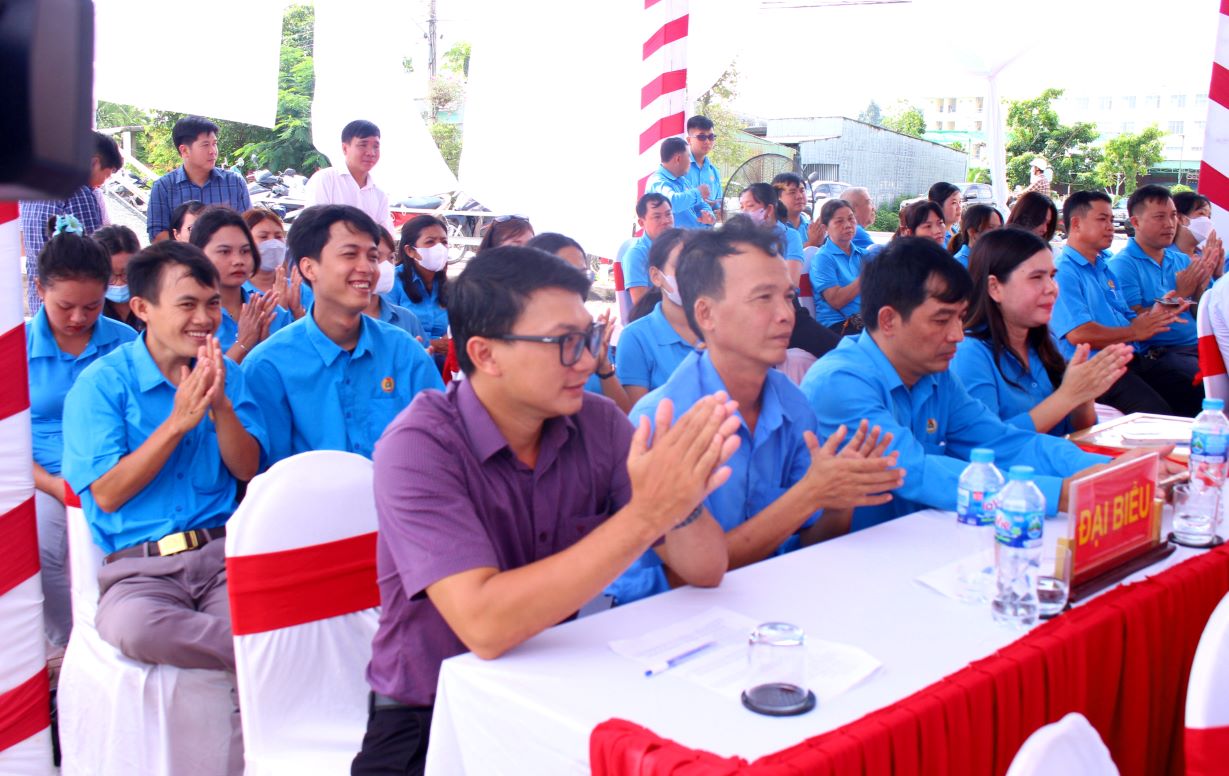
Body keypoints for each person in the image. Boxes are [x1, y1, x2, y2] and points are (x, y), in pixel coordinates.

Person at [352, 246, 737, 775]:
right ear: (485, 354)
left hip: (561, 685)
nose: (587, 360)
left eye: (591, 339)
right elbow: (483, 626)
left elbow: (706, 567)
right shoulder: (418, 447)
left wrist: (681, 494)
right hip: (432, 710)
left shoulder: (596, 423)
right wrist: (647, 515)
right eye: (564, 343)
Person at [607, 218, 902, 603]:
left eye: (787, 296)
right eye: (763, 298)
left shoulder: (792, 405)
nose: (786, 314)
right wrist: (811, 494)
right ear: (706, 314)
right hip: (663, 624)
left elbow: (809, 541)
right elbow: (689, 576)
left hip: (770, 603)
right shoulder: (659, 421)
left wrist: (838, 499)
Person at [61, 241, 268, 775]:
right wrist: (176, 422)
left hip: (222, 555)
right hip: (139, 570)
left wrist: (220, 405)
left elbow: (247, 470)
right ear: (142, 308)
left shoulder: (229, 374)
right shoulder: (103, 384)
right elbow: (105, 493)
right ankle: (252, 645)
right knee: (135, 628)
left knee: (250, 625)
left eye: (211, 304)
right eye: (187, 305)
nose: (204, 319)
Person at [800, 237, 1123, 531]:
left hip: (924, 538)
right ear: (888, 320)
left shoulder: (935, 376)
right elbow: (912, 471)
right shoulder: (840, 382)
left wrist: (1113, 469)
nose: (957, 334)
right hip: (851, 559)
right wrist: (1059, 494)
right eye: (942, 320)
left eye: (960, 317)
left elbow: (1004, 444)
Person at [242, 205, 443, 466]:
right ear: (309, 268)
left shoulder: (404, 351)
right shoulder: (269, 366)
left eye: (372, 257)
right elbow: (270, 473)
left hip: (396, 503)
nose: (367, 268)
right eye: (350, 255)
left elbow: (438, 445)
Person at [28, 224, 137, 650]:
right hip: (43, 478)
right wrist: (53, 485)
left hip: (116, 473)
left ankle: (117, 641)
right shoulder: (14, 348)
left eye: (92, 307)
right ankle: (69, 645)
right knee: (38, 551)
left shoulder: (125, 344)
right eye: (65, 307)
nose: (78, 318)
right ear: (39, 290)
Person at [953, 228, 1131, 436]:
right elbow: (986, 442)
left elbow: (1077, 433)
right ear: (995, 287)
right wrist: (1067, 396)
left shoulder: (1043, 343)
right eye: (1036, 278)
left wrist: (1084, 397)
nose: (1051, 288)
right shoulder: (969, 352)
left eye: (1052, 276)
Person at [1052, 190, 1206, 417]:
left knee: (1197, 394)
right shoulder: (1064, 271)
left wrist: (1157, 314)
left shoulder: (1103, 268)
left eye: (1111, 220)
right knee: (1157, 415)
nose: (1110, 226)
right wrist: (1135, 331)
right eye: (1102, 219)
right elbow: (1078, 333)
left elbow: (1128, 317)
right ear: (1076, 224)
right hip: (1096, 370)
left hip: (1131, 360)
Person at [1106, 185, 1220, 416]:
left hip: (1198, 347)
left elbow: (1200, 315)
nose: (1170, 224)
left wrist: (1202, 288)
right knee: (1206, 391)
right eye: (1160, 217)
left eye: (1173, 216)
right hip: (1160, 354)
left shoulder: (1181, 260)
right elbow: (1134, 321)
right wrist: (1180, 293)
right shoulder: (1123, 264)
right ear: (1135, 222)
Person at [527, 232, 632, 413]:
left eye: (583, 275)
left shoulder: (592, 334)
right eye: (566, 274)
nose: (578, 284)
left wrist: (604, 368)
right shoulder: (520, 337)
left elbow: (625, 416)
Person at [21, 131, 123, 314]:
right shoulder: (78, 191)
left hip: (41, 298)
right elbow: (95, 252)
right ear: (94, 162)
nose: (104, 182)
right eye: (108, 174)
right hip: (74, 303)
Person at [189, 207, 291, 363]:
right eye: (224, 252)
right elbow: (193, 384)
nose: (238, 261)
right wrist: (244, 344)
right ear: (198, 254)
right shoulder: (189, 318)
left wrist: (264, 346)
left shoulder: (271, 311)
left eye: (245, 251)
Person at [616, 229, 700, 403]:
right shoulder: (636, 338)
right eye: (680, 266)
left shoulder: (721, 329)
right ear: (656, 276)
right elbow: (637, 418)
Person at [146, 117, 252, 242]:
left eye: (214, 144)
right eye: (205, 145)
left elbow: (248, 227)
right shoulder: (163, 187)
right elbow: (157, 236)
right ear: (184, 150)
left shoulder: (235, 183)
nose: (213, 151)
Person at [305, 120, 394, 232]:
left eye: (376, 146)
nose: (371, 153)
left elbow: (385, 236)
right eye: (363, 145)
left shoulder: (380, 194)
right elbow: (315, 227)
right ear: (345, 148)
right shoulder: (325, 180)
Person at [386, 215, 452, 359]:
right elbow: (386, 332)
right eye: (430, 242)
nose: (439, 248)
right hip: (405, 362)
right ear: (410, 251)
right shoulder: (391, 282)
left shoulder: (448, 287)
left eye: (444, 242)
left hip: (442, 369)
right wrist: (432, 344)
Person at [811, 198, 867, 335]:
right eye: (839, 221)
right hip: (838, 326)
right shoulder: (823, 258)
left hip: (865, 320)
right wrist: (867, 276)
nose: (848, 225)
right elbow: (836, 301)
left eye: (851, 219)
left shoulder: (863, 254)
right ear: (825, 228)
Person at [365, 226, 427, 344]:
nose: (387, 266)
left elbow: (426, 357)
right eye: (375, 257)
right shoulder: (333, 324)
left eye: (391, 258)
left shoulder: (407, 320)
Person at [738, 183, 805, 287]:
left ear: (769, 210)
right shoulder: (739, 238)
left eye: (750, 206)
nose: (744, 212)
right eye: (742, 207)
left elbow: (791, 283)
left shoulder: (790, 236)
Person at [646, 137, 715, 230]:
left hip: (697, 240)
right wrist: (698, 193)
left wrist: (708, 216)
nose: (690, 162)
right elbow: (672, 203)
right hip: (675, 243)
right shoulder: (658, 182)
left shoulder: (682, 180)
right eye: (688, 157)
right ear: (678, 159)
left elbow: (701, 204)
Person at [620, 193, 675, 306]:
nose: (666, 221)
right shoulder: (636, 255)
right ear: (641, 223)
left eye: (668, 214)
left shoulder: (679, 246)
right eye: (657, 217)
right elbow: (642, 307)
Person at [94, 224, 144, 332]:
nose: (119, 283)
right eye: (110, 275)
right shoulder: (90, 312)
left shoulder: (153, 302)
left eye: (126, 273)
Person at [684, 116, 722, 224]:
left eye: (711, 137)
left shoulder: (714, 171)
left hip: (707, 235)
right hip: (682, 234)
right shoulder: (679, 169)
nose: (707, 141)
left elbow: (717, 203)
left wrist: (719, 211)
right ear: (689, 140)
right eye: (701, 137)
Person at [773, 173, 825, 248]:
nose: (799, 196)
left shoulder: (810, 227)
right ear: (777, 197)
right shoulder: (772, 227)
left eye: (802, 191)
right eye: (792, 192)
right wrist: (811, 243)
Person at [843, 186, 878, 251]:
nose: (873, 208)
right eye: (869, 202)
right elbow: (883, 259)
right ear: (852, 209)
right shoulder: (855, 231)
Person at [929, 181, 962, 245]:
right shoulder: (938, 238)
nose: (959, 207)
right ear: (938, 206)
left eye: (960, 202)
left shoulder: (955, 231)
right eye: (954, 203)